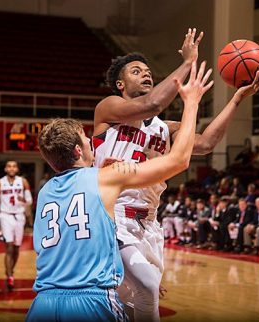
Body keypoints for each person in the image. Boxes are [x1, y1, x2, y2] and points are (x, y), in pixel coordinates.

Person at [92, 29, 259, 321]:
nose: (146, 75)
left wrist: (237, 98)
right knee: (147, 290)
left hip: (149, 224)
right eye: (137, 72)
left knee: (132, 306)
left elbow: (208, 143)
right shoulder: (109, 108)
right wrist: (188, 63)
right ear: (120, 84)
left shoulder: (166, 128)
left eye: (148, 71)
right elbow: (152, 104)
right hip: (113, 216)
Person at [26, 61, 211, 322]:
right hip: (90, 301)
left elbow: (90, 239)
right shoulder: (105, 179)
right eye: (86, 139)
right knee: (144, 293)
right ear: (79, 150)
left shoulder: (45, 192)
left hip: (43, 302)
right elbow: (179, 160)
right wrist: (191, 102)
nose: (92, 141)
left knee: (143, 289)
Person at [0, 161, 32, 291]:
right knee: (9, 247)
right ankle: (10, 276)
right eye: (9, 166)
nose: (12, 168)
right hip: (5, 215)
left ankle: (10, 270)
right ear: (5, 169)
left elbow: (29, 201)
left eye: (14, 166)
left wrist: (23, 200)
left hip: (19, 216)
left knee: (17, 248)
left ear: (17, 169)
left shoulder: (23, 182)